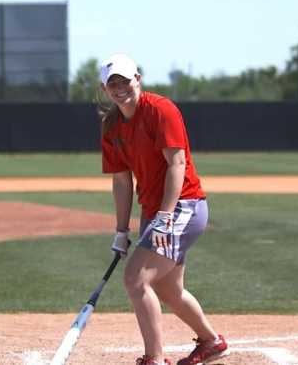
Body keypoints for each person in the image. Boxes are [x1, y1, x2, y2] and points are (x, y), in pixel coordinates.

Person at [98, 54, 229, 365]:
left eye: (125, 81)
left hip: (183, 205)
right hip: (154, 210)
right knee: (168, 290)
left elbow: (177, 163)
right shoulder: (111, 126)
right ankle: (211, 342)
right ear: (104, 90)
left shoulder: (160, 109)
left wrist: (165, 216)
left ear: (138, 79)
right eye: (112, 84)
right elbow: (121, 181)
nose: (120, 89)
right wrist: (120, 231)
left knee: (135, 279)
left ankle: (154, 359)